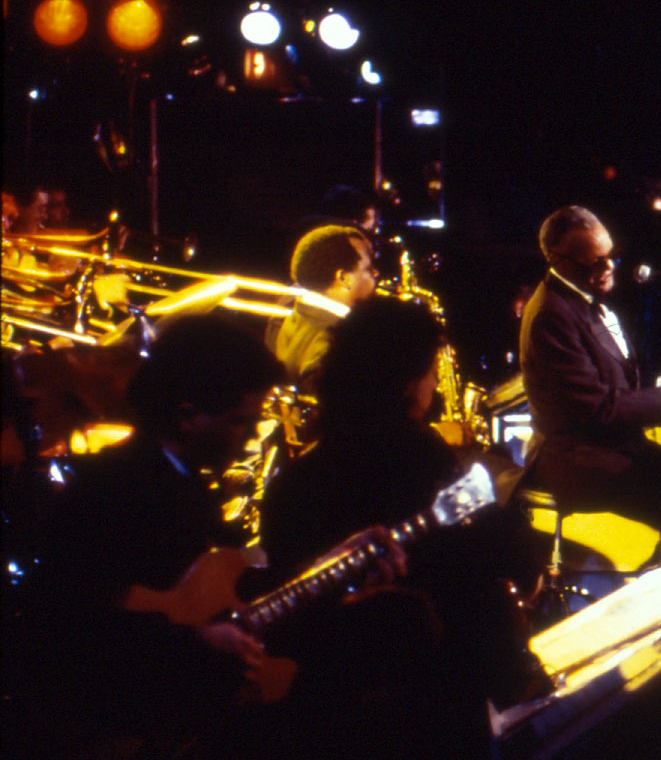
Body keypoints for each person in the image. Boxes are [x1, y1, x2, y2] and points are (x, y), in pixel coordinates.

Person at [260, 297, 546, 757]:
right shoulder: (419, 455)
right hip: (433, 702)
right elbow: (495, 550)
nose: (433, 384)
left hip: (332, 715)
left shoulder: (293, 481)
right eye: (430, 372)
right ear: (409, 384)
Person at [7, 317, 291, 757]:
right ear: (187, 416)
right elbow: (70, 629)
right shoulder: (110, 492)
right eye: (240, 421)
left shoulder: (183, 486)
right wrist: (197, 642)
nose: (253, 434)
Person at [518, 205, 661, 531]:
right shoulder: (552, 316)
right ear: (557, 260)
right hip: (581, 465)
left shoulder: (578, 299)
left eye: (611, 256)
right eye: (594, 262)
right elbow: (599, 410)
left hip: (606, 450)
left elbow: (617, 381)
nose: (609, 267)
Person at [267, 224, 376, 393]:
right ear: (343, 278)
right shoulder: (335, 343)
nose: (376, 273)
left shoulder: (286, 311)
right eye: (368, 269)